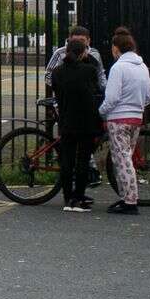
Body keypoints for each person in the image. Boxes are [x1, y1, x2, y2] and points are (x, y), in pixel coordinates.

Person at [99, 29, 150, 215]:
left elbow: (112, 97)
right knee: (127, 157)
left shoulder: (118, 68)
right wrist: (138, 106)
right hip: (136, 118)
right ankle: (126, 197)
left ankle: (130, 201)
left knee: (122, 160)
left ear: (116, 48)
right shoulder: (142, 66)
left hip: (118, 118)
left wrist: (102, 111)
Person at [45, 26, 107, 188]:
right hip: (65, 102)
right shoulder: (60, 53)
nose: (80, 45)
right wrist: (63, 87)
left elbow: (100, 76)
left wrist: (108, 91)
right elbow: (49, 75)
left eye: (83, 41)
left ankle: (82, 174)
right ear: (69, 40)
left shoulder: (94, 54)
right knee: (75, 139)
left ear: (88, 41)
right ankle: (86, 172)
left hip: (86, 101)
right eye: (76, 41)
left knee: (86, 138)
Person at [50, 39, 102, 212]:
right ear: (82, 53)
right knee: (83, 160)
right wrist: (87, 58)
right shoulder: (89, 70)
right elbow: (95, 88)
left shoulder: (57, 72)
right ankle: (79, 197)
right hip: (87, 121)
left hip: (66, 120)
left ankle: (67, 198)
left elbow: (56, 90)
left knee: (67, 160)